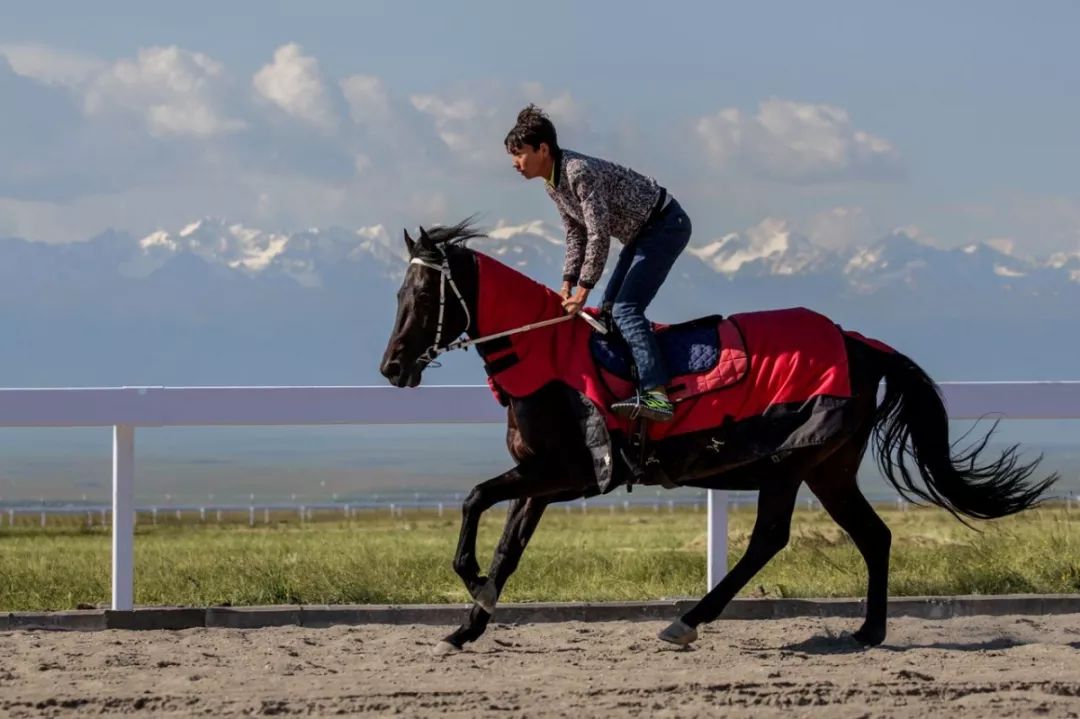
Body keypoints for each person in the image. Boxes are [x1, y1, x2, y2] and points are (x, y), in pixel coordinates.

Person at [504, 104, 692, 422]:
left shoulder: (578, 172)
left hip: (665, 226)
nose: (514, 163)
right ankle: (633, 382)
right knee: (608, 312)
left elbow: (598, 234)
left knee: (626, 309)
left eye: (519, 153)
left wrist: (583, 290)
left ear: (542, 149)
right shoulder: (553, 183)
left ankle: (658, 395)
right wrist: (567, 281)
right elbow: (575, 234)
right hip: (642, 234)